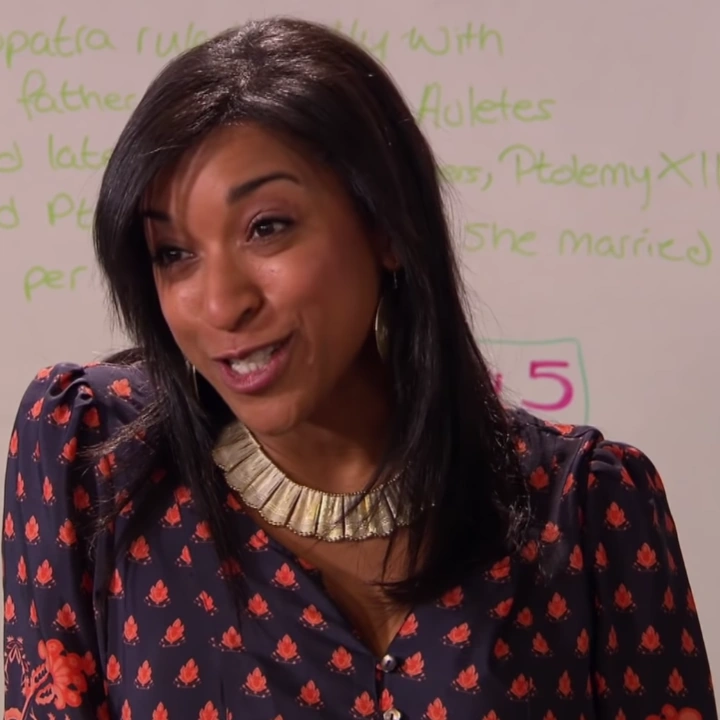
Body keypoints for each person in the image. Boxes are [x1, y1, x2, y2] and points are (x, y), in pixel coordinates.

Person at [2, 16, 715, 720]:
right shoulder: (93, 461)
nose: (220, 303)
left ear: (386, 229)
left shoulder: (589, 512)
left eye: (266, 228)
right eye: (174, 254)